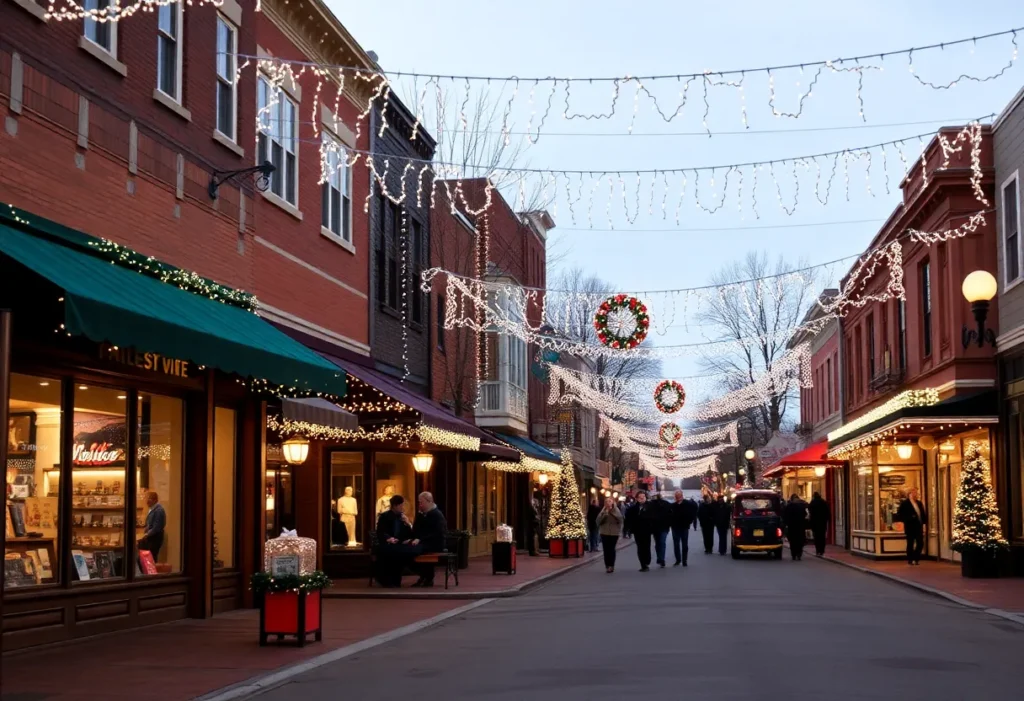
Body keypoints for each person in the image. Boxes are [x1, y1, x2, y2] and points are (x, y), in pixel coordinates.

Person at [375, 495, 417, 587]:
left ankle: (396, 579)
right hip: (387, 543)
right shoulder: (384, 516)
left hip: (399, 543)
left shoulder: (403, 517)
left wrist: (408, 523)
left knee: (403, 553)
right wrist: (388, 538)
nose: (403, 507)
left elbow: (410, 534)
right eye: (401, 505)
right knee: (389, 553)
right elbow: (380, 532)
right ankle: (387, 580)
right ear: (395, 506)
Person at [412, 492, 447, 587]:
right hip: (424, 542)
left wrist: (420, 539)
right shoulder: (422, 514)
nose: (420, 505)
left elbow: (437, 532)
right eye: (419, 502)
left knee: (417, 551)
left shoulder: (437, 514)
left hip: (435, 543)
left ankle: (427, 577)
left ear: (429, 501)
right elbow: (416, 529)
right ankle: (424, 576)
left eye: (421, 502)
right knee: (410, 550)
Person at [896, 488, 928, 565]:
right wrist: (909, 517)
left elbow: (922, 514)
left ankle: (916, 558)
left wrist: (924, 522)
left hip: (918, 526)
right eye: (913, 493)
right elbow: (900, 514)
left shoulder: (919, 503)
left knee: (920, 543)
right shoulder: (905, 504)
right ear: (909, 494)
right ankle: (910, 559)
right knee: (910, 543)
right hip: (910, 526)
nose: (915, 494)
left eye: (916, 493)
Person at [624, 491, 654, 571]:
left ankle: (647, 560)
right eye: (640, 497)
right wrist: (628, 529)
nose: (642, 499)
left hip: (647, 530)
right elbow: (628, 519)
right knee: (640, 547)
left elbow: (653, 517)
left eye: (643, 497)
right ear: (637, 499)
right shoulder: (632, 509)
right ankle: (643, 565)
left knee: (647, 546)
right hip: (637, 531)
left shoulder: (650, 506)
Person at [670, 490, 698, 566]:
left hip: (684, 526)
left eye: (679, 495)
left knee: (684, 544)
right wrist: (671, 523)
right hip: (675, 527)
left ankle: (684, 560)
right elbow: (669, 515)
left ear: (682, 496)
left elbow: (694, 509)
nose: (678, 497)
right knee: (676, 544)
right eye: (677, 496)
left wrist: (690, 521)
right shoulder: (673, 506)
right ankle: (678, 560)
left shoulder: (687, 504)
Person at [597, 496, 623, 573]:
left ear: (613, 502)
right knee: (606, 549)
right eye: (606, 501)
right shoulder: (603, 510)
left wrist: (611, 512)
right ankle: (607, 565)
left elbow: (620, 519)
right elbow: (598, 521)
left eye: (610, 501)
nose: (608, 503)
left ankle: (611, 565)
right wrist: (605, 514)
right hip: (604, 532)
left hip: (614, 533)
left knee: (611, 549)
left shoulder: (616, 510)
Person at [139, 491, 166, 562]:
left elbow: (157, 527)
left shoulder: (159, 510)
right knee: (148, 557)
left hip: (155, 538)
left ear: (154, 500)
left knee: (152, 557)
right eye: (146, 499)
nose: (147, 501)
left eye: (149, 499)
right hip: (151, 537)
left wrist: (147, 534)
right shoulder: (153, 509)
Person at [648, 493, 673, 567]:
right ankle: (660, 558)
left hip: (660, 527)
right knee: (660, 543)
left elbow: (671, 514)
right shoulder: (652, 504)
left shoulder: (652, 504)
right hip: (659, 527)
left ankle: (661, 558)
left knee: (660, 542)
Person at [783, 494, 809, 561]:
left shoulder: (789, 506)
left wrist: (786, 524)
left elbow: (785, 516)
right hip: (800, 526)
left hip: (792, 527)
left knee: (793, 541)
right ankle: (798, 554)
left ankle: (794, 554)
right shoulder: (801, 506)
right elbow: (805, 514)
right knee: (799, 541)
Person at [808, 492, 831, 557]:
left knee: (816, 537)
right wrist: (827, 519)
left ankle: (818, 550)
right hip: (822, 522)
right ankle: (822, 550)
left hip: (815, 523)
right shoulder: (823, 502)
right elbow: (828, 512)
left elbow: (810, 511)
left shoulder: (813, 502)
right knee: (822, 536)